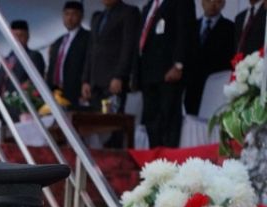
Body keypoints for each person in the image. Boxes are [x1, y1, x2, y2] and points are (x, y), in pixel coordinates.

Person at [135, 0, 195, 147]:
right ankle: (154, 160)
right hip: (148, 73)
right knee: (151, 120)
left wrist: (178, 64)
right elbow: (141, 39)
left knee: (168, 120)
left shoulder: (180, 3)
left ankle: (168, 162)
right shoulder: (149, 6)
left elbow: (185, 32)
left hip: (169, 72)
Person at [82, 0, 141, 117]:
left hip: (113, 81)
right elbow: (90, 51)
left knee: (113, 124)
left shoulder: (129, 12)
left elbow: (128, 47)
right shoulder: (97, 17)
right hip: (95, 83)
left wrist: (120, 76)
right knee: (94, 125)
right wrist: (86, 80)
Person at [186, 0, 237, 116]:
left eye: (218, 1)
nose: (213, 5)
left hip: (216, 85)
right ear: (202, 2)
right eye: (209, 0)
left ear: (223, 4)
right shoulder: (192, 26)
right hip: (192, 86)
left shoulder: (230, 28)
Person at [46, 1, 92, 108]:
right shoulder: (58, 42)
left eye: (73, 14)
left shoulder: (88, 38)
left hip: (77, 92)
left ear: (81, 16)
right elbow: (51, 68)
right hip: (57, 92)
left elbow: (90, 63)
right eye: (66, 14)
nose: (69, 18)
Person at [0, 20, 48, 96]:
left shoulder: (34, 56)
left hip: (21, 101)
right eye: (15, 36)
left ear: (27, 36)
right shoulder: (6, 59)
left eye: (21, 35)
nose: (18, 39)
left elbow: (35, 82)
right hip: (2, 103)